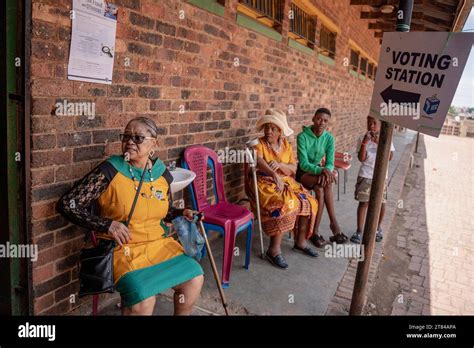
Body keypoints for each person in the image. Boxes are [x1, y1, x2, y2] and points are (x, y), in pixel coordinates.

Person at [57, 117, 204, 315]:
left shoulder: (162, 175)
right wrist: (107, 225)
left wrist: (181, 213)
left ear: (154, 143)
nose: (129, 142)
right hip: (123, 248)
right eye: (126, 136)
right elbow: (67, 204)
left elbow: (164, 210)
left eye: (137, 137)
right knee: (143, 299)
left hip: (159, 245)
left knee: (194, 277)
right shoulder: (110, 170)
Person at [251, 109, 319, 270]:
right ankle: (273, 250)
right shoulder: (258, 143)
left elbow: (293, 168)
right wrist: (273, 174)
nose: (268, 131)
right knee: (285, 203)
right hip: (265, 183)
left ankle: (300, 242)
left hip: (286, 182)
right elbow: (258, 160)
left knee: (309, 201)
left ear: (280, 131)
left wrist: (281, 166)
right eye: (267, 127)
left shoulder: (286, 146)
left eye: (273, 128)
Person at [296, 108, 348, 246]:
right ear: (313, 119)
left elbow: (330, 163)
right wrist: (322, 170)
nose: (321, 123)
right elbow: (303, 164)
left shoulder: (329, 138)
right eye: (319, 119)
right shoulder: (302, 136)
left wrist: (327, 170)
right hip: (304, 173)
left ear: (328, 123)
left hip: (320, 173)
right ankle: (334, 226)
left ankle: (315, 232)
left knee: (321, 188)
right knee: (326, 183)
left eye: (325, 121)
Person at [350, 116, 395, 243]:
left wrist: (380, 143)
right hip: (366, 175)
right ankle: (359, 230)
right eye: (369, 122)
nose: (371, 125)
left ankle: (377, 228)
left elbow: (389, 157)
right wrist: (365, 142)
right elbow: (361, 158)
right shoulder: (362, 138)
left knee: (381, 203)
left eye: (374, 123)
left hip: (381, 176)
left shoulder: (386, 138)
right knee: (363, 203)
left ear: (381, 125)